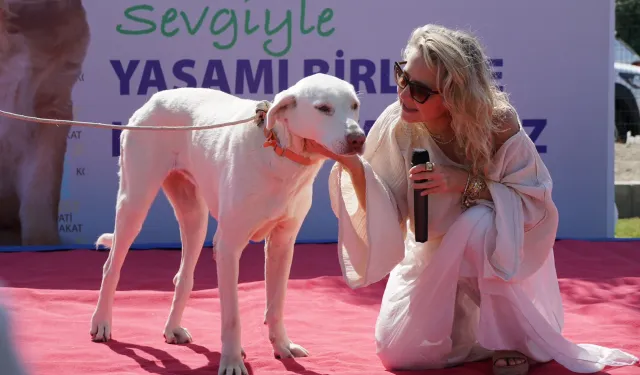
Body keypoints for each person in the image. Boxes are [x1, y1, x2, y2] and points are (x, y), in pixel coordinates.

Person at [306, 24, 638, 375]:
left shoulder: (497, 123)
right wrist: (353, 167)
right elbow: (385, 209)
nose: (403, 93)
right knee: (398, 354)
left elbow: (534, 203)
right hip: (432, 254)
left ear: (455, 94)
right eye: (401, 76)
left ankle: (508, 339)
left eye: (419, 89)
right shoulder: (399, 124)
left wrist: (463, 182)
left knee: (478, 223)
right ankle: (474, 332)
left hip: (503, 257)